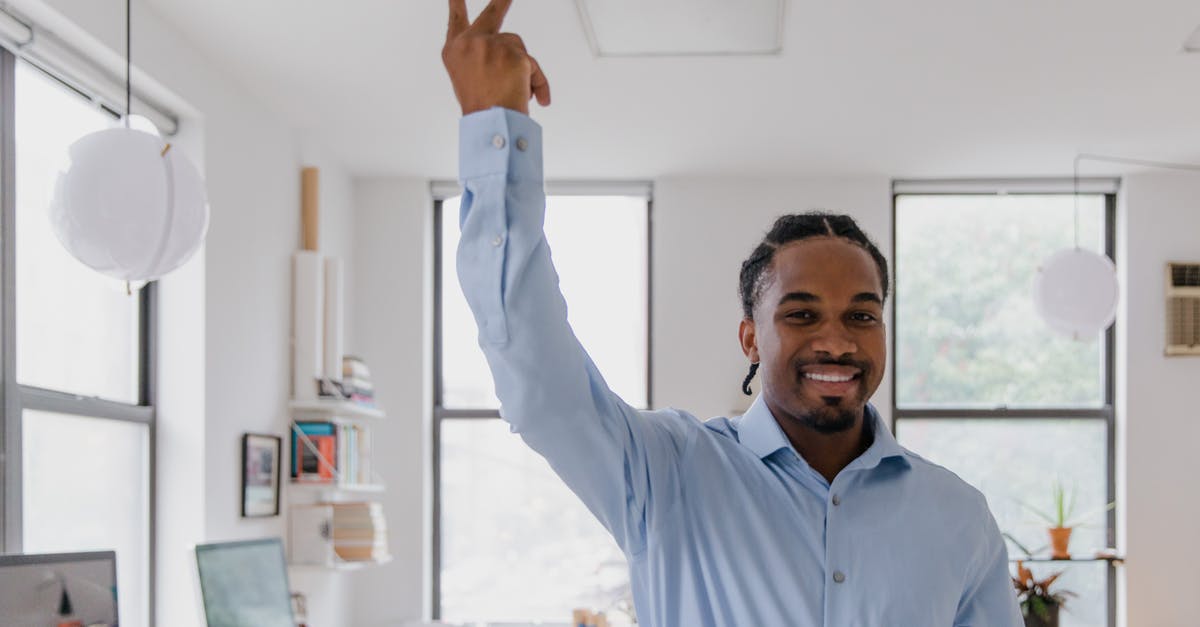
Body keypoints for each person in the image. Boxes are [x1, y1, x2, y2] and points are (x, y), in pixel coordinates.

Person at [441, 1, 1023, 625]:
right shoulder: (668, 475)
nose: (836, 341)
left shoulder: (958, 516)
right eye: (801, 315)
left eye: (861, 315)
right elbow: (541, 383)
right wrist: (494, 125)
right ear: (750, 337)